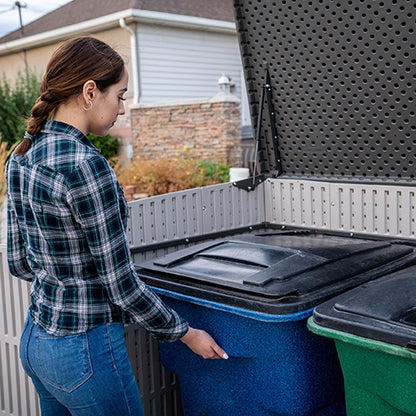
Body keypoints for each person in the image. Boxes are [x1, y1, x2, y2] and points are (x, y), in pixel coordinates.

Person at [6, 36, 228, 416]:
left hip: (37, 343)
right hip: (84, 353)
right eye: (120, 95)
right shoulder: (86, 166)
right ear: (90, 92)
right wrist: (187, 334)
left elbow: (19, 264)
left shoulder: (22, 155)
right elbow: (122, 287)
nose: (122, 109)